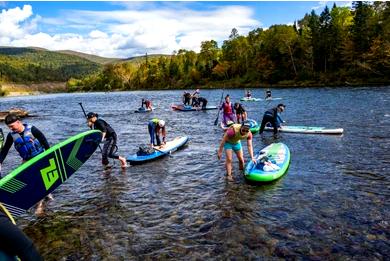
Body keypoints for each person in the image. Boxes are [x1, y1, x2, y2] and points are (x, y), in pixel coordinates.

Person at [0, 113, 51, 215]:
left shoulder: (32, 130)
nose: (11, 129)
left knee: (38, 181)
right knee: (28, 181)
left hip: (39, 157)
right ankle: (45, 195)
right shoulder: (11, 135)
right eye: (9, 127)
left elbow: (44, 142)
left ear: (19, 122)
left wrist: (49, 156)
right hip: (26, 160)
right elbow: (5, 149)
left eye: (12, 126)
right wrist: (0, 162)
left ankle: (40, 206)